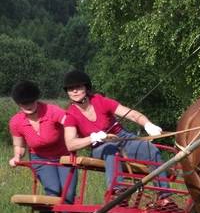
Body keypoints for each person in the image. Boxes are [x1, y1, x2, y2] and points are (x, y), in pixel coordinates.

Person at [62, 70, 172, 202]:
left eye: (78, 87)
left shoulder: (100, 101)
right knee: (111, 150)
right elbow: (71, 144)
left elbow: (131, 114)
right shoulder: (70, 115)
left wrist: (148, 125)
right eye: (70, 89)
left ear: (86, 88)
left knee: (150, 148)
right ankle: (118, 193)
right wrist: (93, 137)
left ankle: (164, 198)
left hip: (122, 137)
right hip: (100, 146)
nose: (74, 91)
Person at [9, 80, 77, 213]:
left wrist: (74, 134)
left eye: (31, 101)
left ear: (36, 99)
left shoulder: (52, 110)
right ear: (18, 104)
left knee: (69, 194)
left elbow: (69, 120)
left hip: (65, 156)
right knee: (52, 192)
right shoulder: (16, 122)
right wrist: (17, 157)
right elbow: (19, 145)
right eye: (23, 103)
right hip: (41, 159)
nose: (28, 105)